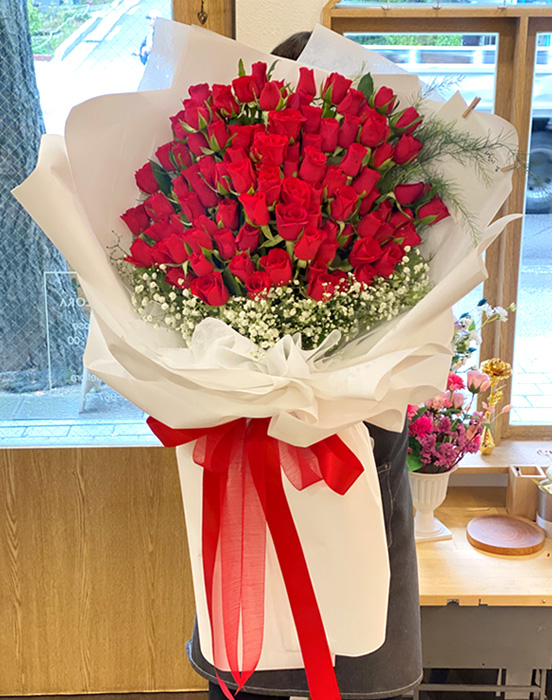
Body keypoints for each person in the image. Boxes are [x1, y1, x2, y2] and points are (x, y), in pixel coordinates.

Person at [187, 32, 423, 700]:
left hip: (295, 539)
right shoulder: (222, 235)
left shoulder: (387, 236)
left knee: (348, 650)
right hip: (285, 530)